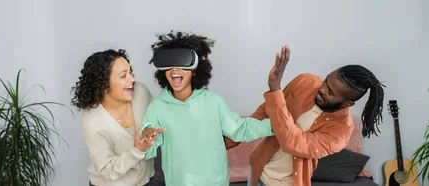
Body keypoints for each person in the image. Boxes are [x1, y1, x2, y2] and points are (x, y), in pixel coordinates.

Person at [139, 31, 274, 186]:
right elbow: (148, 146)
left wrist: (276, 126)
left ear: (195, 70)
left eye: (182, 64)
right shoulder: (158, 107)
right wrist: (146, 138)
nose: (175, 70)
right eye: (170, 65)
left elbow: (241, 129)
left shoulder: (213, 102)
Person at [243, 45, 386, 186]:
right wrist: (230, 138)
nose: (322, 89)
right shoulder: (305, 81)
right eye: (325, 81)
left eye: (330, 92)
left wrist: (275, 89)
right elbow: (266, 111)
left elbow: (292, 142)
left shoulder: (340, 131)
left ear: (347, 103)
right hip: (258, 170)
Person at [71, 49, 164, 186]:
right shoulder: (92, 120)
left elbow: (161, 112)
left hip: (149, 180)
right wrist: (138, 149)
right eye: (123, 76)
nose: (131, 79)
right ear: (104, 84)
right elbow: (108, 170)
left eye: (130, 72)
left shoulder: (140, 92)